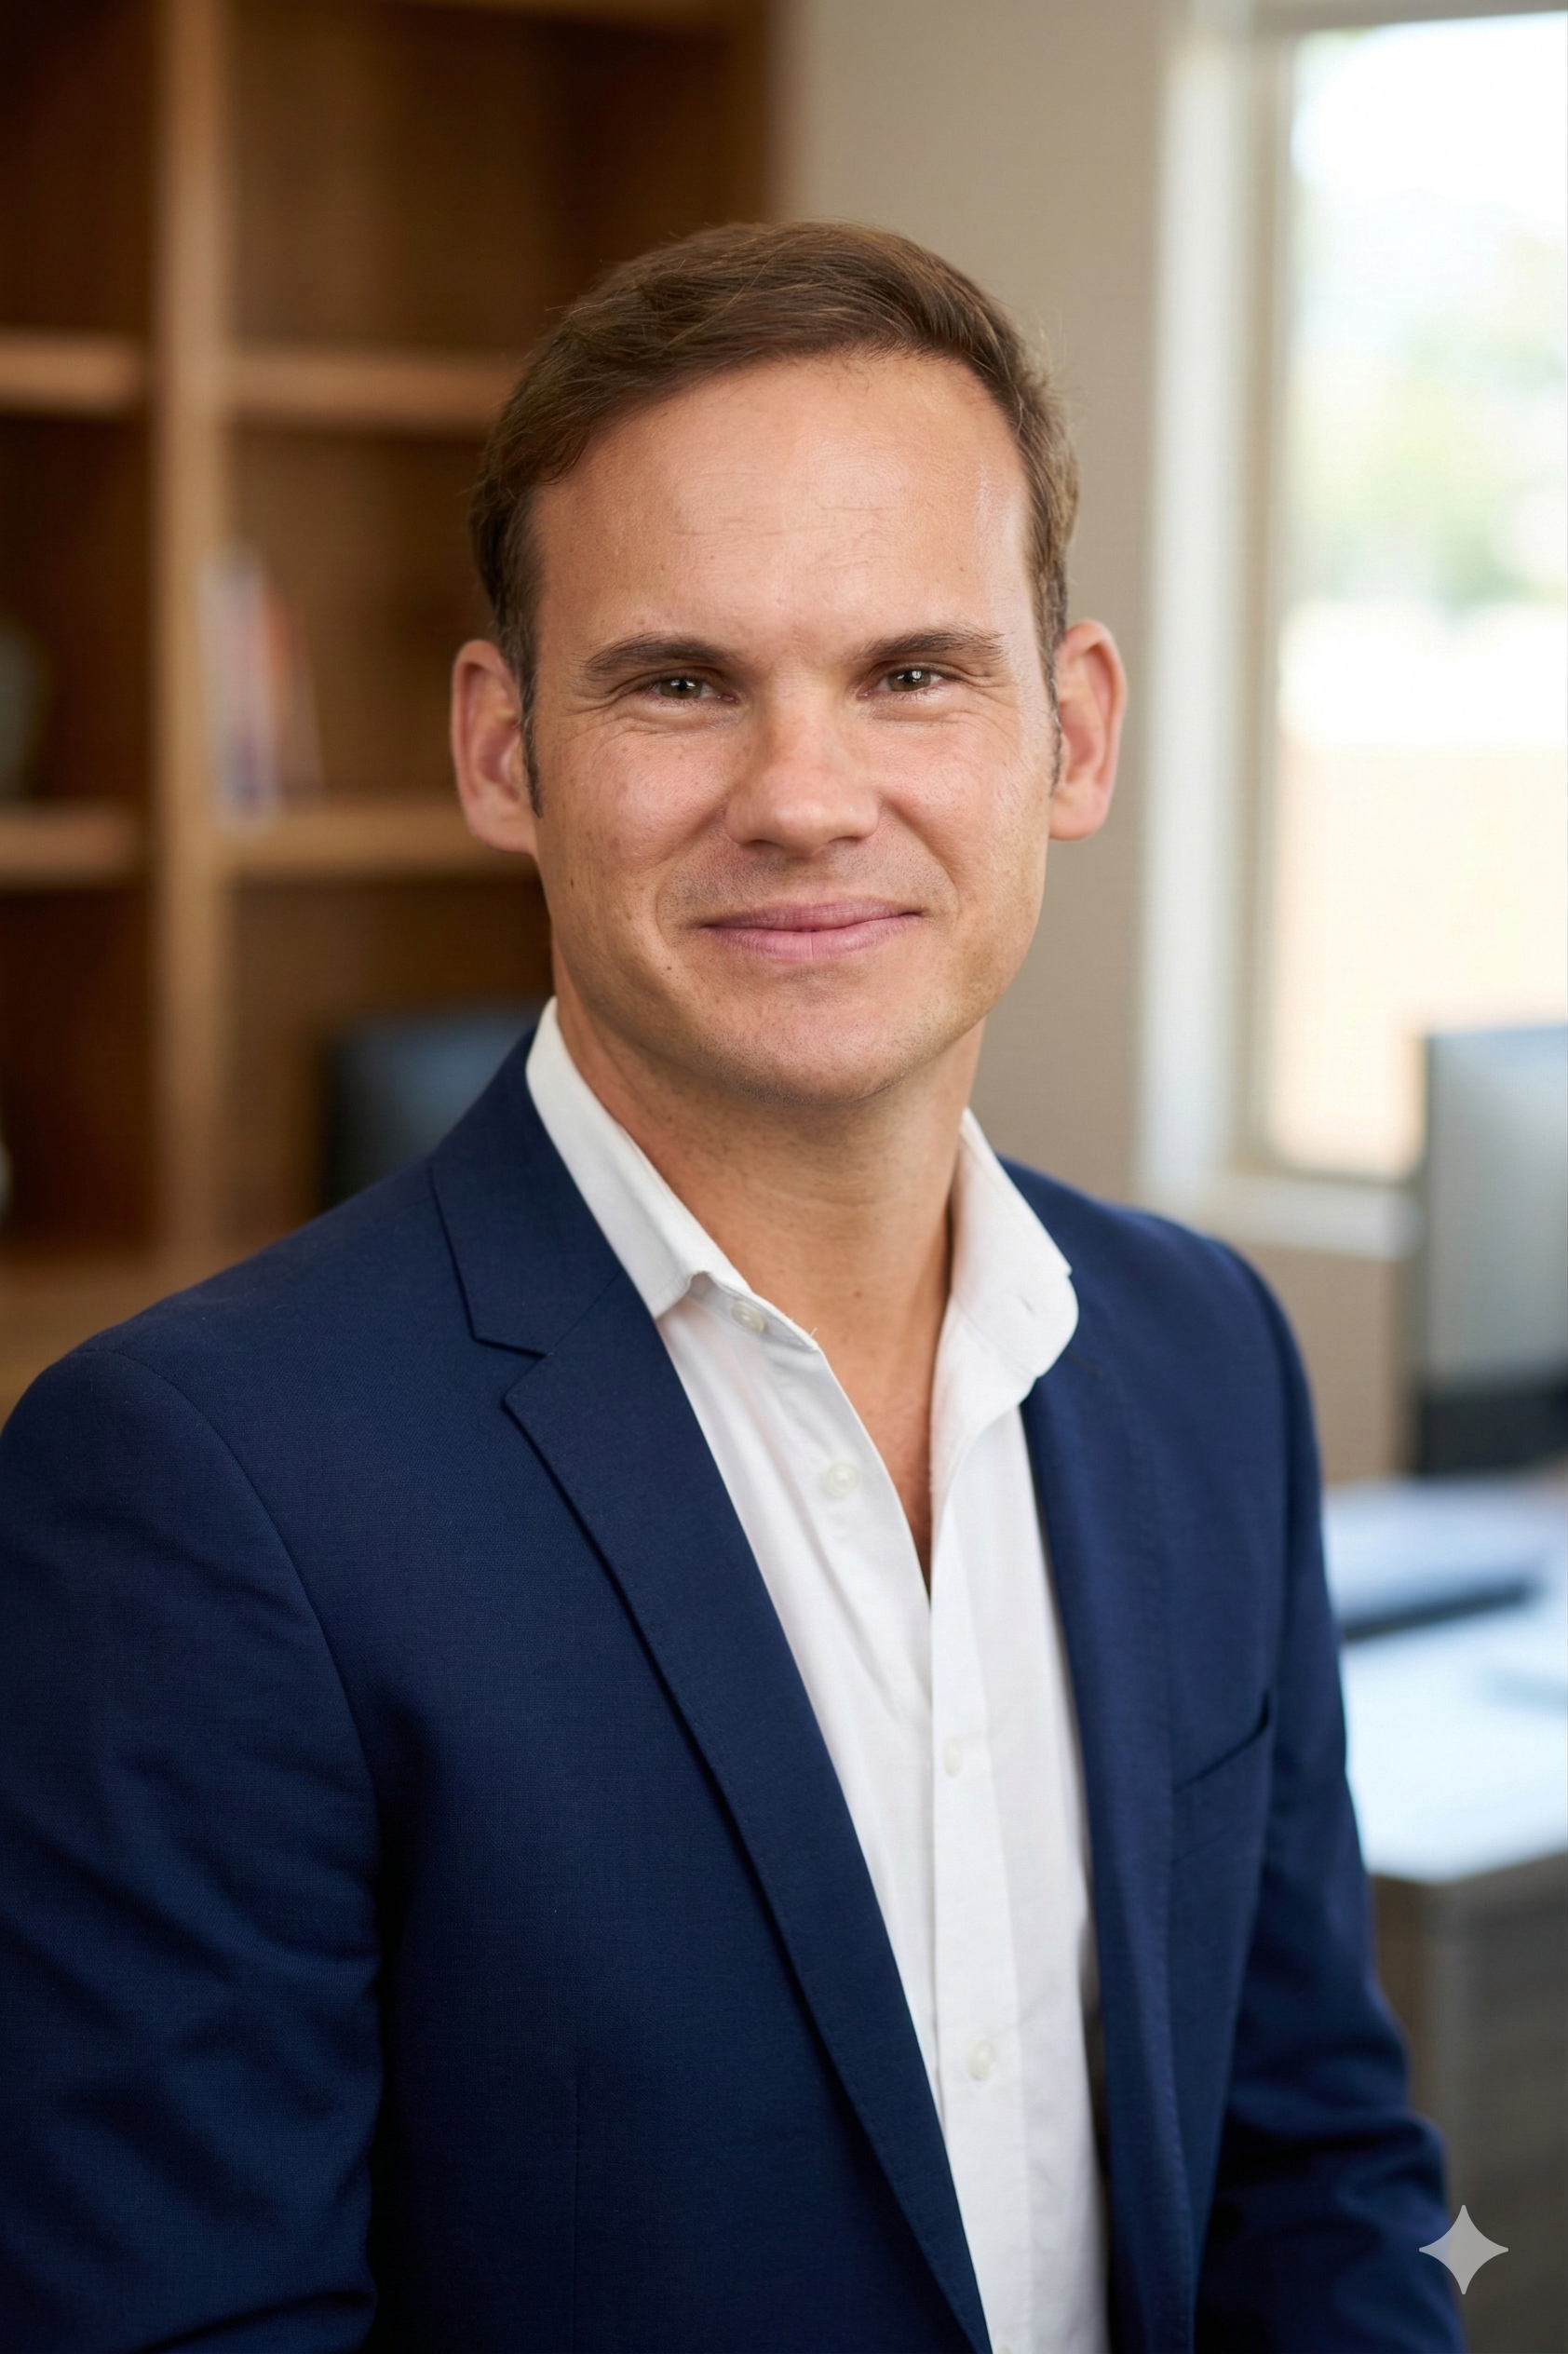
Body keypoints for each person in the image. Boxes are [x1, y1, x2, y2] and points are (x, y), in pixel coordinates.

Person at [0, 224, 1459, 2354]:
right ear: (503, 752)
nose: (802, 796)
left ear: (1069, 734)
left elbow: (1317, 2162)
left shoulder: (1199, 1358)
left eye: (911, 672)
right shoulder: (194, 1494)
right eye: (679, 682)